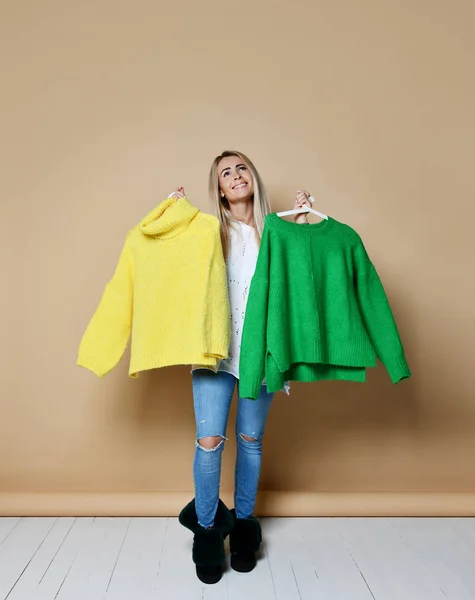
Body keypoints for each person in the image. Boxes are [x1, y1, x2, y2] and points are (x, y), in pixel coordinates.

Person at [174, 151, 311, 584]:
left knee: (250, 438)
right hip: (216, 349)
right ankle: (209, 530)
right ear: (218, 189)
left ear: (253, 177)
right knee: (209, 440)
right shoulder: (210, 230)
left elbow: (304, 278)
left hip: (260, 353)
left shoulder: (278, 232)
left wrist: (304, 223)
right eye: (225, 174)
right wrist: (173, 218)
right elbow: (175, 263)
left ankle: (246, 527)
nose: (235, 176)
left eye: (241, 168)